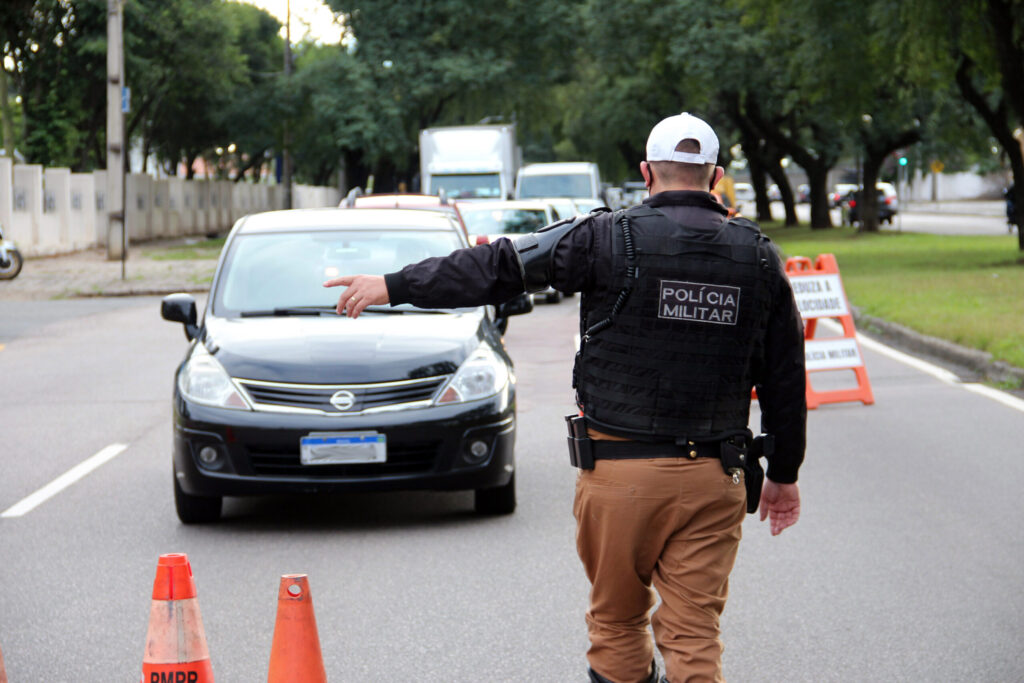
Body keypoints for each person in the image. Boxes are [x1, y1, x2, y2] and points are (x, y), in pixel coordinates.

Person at [325, 112, 806, 683]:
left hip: (620, 475)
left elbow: (500, 266)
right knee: (694, 632)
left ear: (646, 172)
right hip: (714, 478)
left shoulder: (603, 237)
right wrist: (784, 470)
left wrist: (394, 286)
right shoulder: (758, 256)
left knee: (618, 623)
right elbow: (784, 372)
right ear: (717, 175)